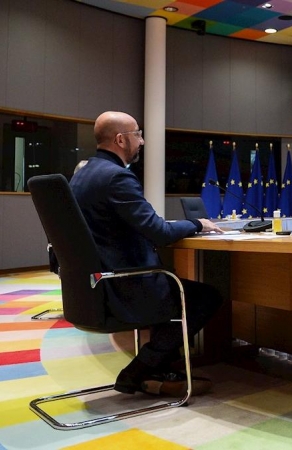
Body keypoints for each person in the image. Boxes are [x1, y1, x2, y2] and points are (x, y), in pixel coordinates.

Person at [70, 111, 224, 397]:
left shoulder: (82, 175)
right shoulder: (117, 177)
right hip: (126, 287)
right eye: (138, 135)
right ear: (120, 139)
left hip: (94, 287)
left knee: (179, 291)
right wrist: (198, 224)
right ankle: (138, 371)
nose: (142, 141)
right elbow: (159, 233)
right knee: (205, 297)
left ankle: (157, 369)